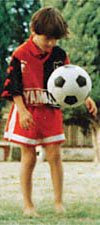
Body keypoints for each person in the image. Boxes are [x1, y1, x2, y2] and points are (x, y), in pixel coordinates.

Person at [1, 7, 97, 216]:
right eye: (47, 39)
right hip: (26, 111)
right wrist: (22, 110)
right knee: (29, 157)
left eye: (55, 39)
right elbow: (12, 85)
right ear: (34, 31)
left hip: (50, 112)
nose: (51, 44)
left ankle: (58, 202)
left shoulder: (59, 55)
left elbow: (72, 82)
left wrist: (85, 97)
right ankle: (28, 205)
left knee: (55, 155)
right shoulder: (20, 54)